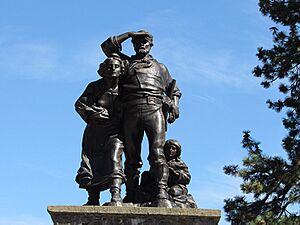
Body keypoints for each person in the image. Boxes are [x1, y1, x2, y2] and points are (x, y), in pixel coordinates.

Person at [101, 31, 181, 207]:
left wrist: (174, 104)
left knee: (157, 152)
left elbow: (174, 90)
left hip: (154, 109)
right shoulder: (126, 62)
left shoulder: (161, 68)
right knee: (132, 157)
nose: (141, 44)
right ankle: (131, 194)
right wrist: (129, 34)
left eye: (144, 41)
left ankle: (161, 193)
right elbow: (106, 47)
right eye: (137, 42)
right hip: (130, 111)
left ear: (151, 44)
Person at [75, 54, 125, 206]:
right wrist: (93, 113)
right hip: (95, 132)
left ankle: (115, 195)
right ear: (103, 70)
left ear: (122, 70)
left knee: (114, 157)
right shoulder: (94, 87)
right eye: (109, 67)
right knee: (92, 162)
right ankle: (93, 197)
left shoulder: (126, 89)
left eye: (116, 67)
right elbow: (79, 105)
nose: (113, 70)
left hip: (115, 131)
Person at [164, 139, 197, 208]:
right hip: (164, 186)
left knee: (173, 192)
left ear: (177, 151)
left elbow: (188, 178)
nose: (170, 150)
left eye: (173, 148)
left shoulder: (180, 163)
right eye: (168, 148)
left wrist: (177, 174)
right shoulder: (162, 162)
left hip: (178, 186)